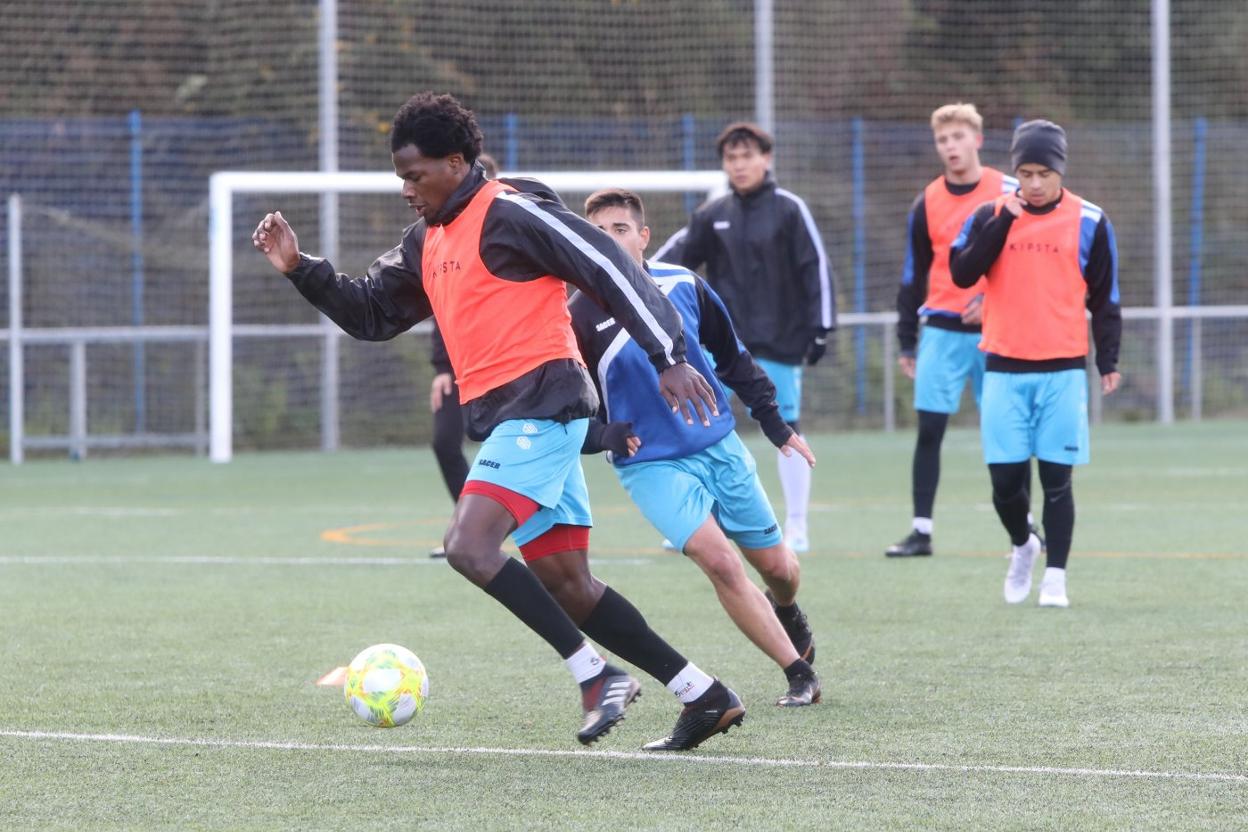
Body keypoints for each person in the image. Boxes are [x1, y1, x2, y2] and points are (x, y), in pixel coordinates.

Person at [252, 92, 742, 748]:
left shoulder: (511, 213)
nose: (406, 189)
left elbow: (606, 263)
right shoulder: (425, 238)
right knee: (570, 585)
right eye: (400, 176)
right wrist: (299, 270)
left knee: (468, 548)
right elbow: (372, 314)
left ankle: (595, 677)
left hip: (545, 405)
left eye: (415, 174)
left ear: (456, 163)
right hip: (524, 418)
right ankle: (702, 694)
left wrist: (670, 353)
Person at [572, 189, 822, 720]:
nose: (609, 240)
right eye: (598, 232)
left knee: (779, 568)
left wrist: (776, 427)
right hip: (650, 465)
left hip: (718, 447)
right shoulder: (578, 314)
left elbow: (734, 358)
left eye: (620, 229)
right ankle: (799, 673)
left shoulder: (684, 285)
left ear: (644, 237)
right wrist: (604, 435)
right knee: (721, 562)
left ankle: (787, 609)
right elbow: (571, 400)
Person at [949, 119, 1122, 607]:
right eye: (1025, 173)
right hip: (1003, 369)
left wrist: (1107, 359)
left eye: (1044, 173)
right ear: (1015, 173)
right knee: (1005, 484)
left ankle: (1056, 577)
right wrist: (1004, 221)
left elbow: (1106, 299)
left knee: (1057, 480)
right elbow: (962, 274)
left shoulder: (1090, 220)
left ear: (1060, 171)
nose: (1035, 183)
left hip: (1063, 371)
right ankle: (1024, 543)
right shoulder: (988, 214)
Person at [655, 122, 836, 553]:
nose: (739, 165)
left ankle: (796, 525)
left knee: (786, 425)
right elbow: (666, 262)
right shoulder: (712, 215)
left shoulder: (790, 209)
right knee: (702, 426)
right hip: (721, 343)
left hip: (780, 340)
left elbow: (816, 268)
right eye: (731, 159)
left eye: (746, 156)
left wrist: (822, 327)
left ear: (766, 159)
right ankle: (700, 520)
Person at [887, 103, 1021, 558]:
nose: (951, 146)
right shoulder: (927, 201)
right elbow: (913, 274)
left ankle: (1022, 533)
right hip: (941, 332)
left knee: (1004, 431)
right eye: (943, 140)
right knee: (930, 430)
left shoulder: (1009, 191)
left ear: (977, 140)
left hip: (999, 329)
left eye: (959, 137)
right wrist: (908, 338)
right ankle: (921, 531)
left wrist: (993, 299)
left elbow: (1029, 261)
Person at [427, 153, 497, 559]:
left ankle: (505, 525)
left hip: (506, 363)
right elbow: (440, 307)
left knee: (497, 441)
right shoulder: (442, 238)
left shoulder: (509, 226)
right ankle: (470, 524)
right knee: (444, 441)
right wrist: (441, 367)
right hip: (459, 366)